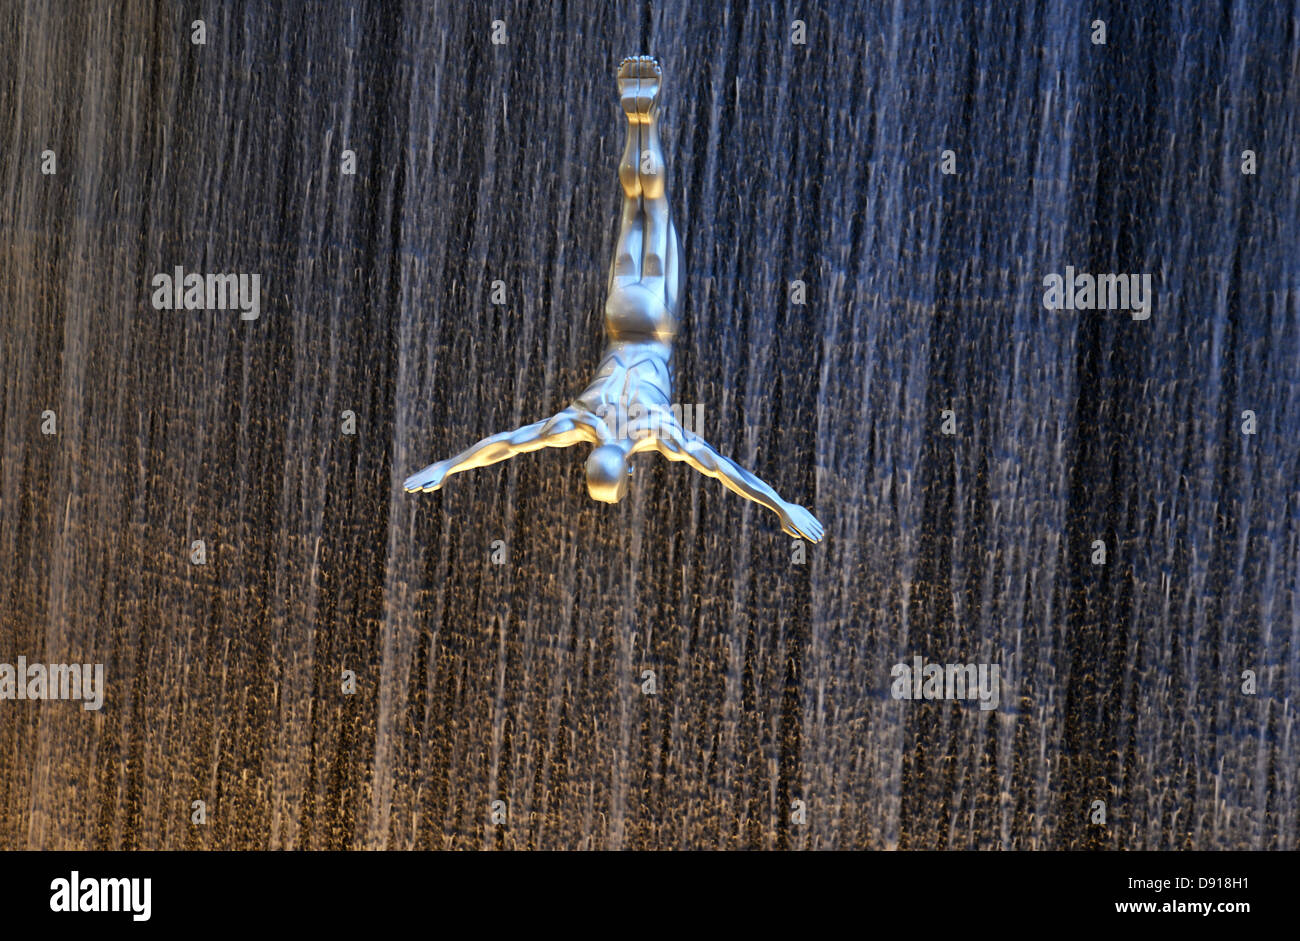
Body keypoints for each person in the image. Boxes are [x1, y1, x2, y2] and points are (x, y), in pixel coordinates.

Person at [404, 56, 823, 543]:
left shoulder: (659, 431)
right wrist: (446, 466)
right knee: (634, 206)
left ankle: (648, 118)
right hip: (619, 312)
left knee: (657, 206)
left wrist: (781, 505)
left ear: (627, 472)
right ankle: (635, 121)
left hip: (657, 322)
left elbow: (723, 470)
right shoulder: (576, 420)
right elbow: (506, 443)